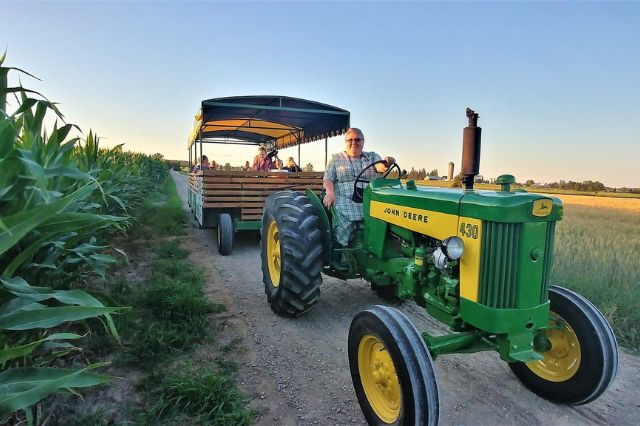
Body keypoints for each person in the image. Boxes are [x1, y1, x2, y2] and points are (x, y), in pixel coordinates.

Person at [323, 128, 395, 246]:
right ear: (345, 142)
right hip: (344, 198)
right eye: (350, 140)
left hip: (369, 198)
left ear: (363, 141)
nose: (353, 142)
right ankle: (343, 247)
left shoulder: (372, 156)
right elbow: (328, 178)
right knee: (340, 208)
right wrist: (330, 193)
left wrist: (386, 164)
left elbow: (380, 167)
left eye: (357, 139)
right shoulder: (336, 159)